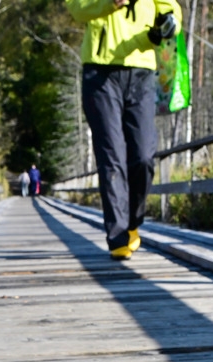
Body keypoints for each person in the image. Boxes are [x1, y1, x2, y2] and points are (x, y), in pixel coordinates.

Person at [67, 0, 180, 259]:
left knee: (143, 156)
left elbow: (169, 6)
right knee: (112, 156)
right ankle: (117, 237)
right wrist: (109, 3)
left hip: (141, 69)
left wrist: (168, 21)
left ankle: (131, 222)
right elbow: (76, 7)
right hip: (100, 73)